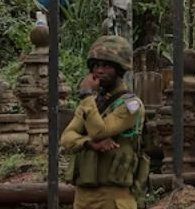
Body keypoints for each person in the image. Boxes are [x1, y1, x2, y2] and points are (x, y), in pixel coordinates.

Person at [60, 36, 147, 209]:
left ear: (120, 69)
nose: (99, 71)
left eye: (106, 66)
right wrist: (89, 144)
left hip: (113, 197)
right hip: (83, 197)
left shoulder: (131, 104)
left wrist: (86, 96)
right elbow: (66, 138)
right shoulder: (90, 103)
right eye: (96, 65)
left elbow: (100, 131)